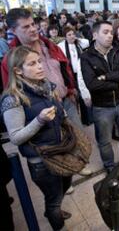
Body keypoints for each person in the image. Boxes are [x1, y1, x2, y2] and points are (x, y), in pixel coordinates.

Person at [1, 46, 72, 230]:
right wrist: (39, 120)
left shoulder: (45, 86)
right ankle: (56, 220)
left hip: (59, 150)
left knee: (65, 185)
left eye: (39, 61)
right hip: (41, 160)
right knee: (54, 199)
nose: (40, 66)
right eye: (32, 64)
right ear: (18, 70)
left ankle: (53, 210)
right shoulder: (13, 98)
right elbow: (15, 137)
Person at [80, 21, 119, 173]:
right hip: (102, 106)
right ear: (95, 35)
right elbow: (92, 84)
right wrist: (117, 84)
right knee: (104, 141)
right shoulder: (86, 57)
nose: (110, 35)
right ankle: (109, 166)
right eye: (105, 32)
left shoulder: (118, 50)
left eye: (111, 32)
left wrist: (106, 77)